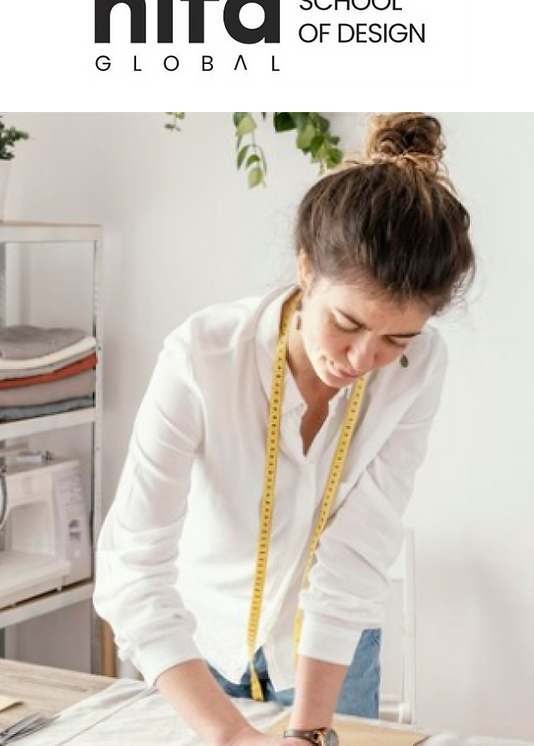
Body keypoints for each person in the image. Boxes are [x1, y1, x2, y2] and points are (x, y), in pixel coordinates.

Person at [94, 110, 476, 746]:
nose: (361, 361)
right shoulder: (201, 358)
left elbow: (359, 545)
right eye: (348, 324)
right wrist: (231, 735)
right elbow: (132, 568)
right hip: (198, 649)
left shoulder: (419, 367)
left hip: (333, 650)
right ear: (305, 270)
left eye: (396, 338)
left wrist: (307, 734)